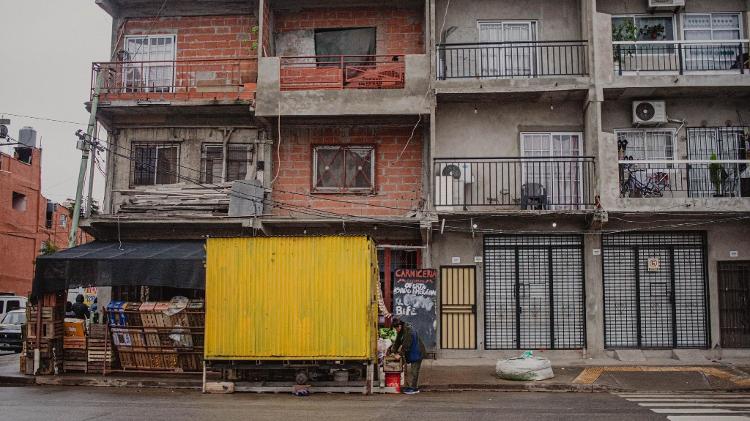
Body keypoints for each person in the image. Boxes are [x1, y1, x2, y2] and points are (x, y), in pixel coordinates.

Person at [389, 318, 426, 395]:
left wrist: (399, 354)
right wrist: (393, 351)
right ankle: (410, 386)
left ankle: (414, 388)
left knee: (414, 371)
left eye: (396, 329)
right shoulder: (401, 331)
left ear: (399, 326)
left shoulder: (409, 331)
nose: (396, 330)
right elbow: (397, 342)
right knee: (410, 372)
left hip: (417, 352)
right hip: (412, 353)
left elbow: (406, 344)